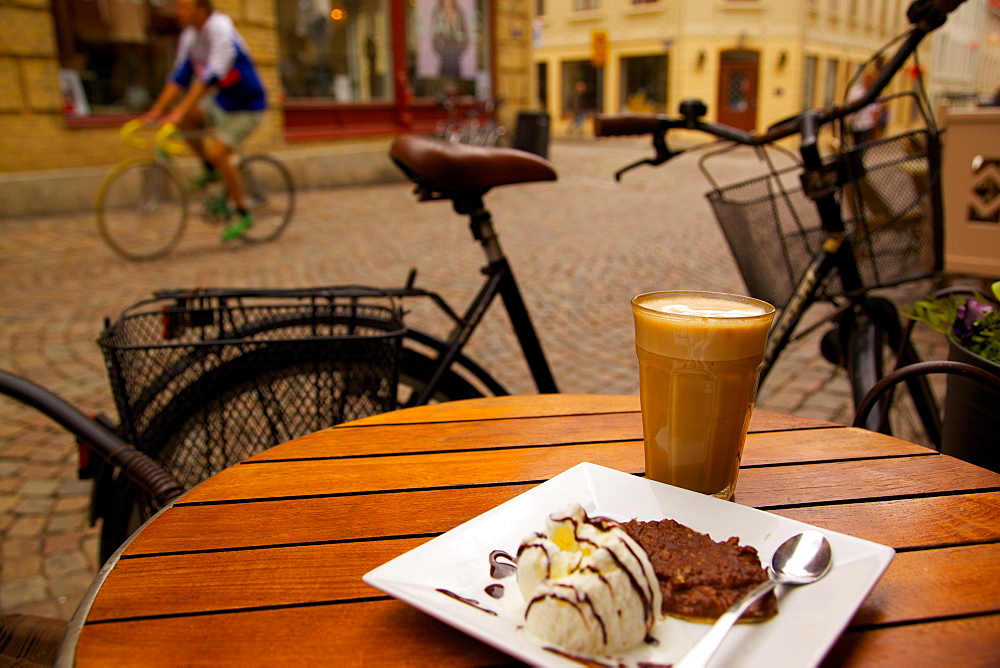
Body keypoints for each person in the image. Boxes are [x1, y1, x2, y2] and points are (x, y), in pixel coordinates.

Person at [141, 0, 267, 241]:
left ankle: (243, 212)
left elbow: (208, 77)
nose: (180, 12)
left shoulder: (221, 30)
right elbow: (179, 77)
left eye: (185, 7)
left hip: (247, 105)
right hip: (222, 101)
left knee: (219, 152)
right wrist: (156, 111)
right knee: (186, 119)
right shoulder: (190, 37)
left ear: (201, 10)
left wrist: (178, 111)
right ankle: (210, 169)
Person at [846, 63, 885, 146]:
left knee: (861, 145)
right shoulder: (856, 91)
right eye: (866, 79)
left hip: (866, 124)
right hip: (855, 122)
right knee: (854, 144)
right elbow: (849, 105)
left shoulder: (874, 94)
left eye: (870, 80)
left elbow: (875, 111)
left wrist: (875, 128)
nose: (867, 81)